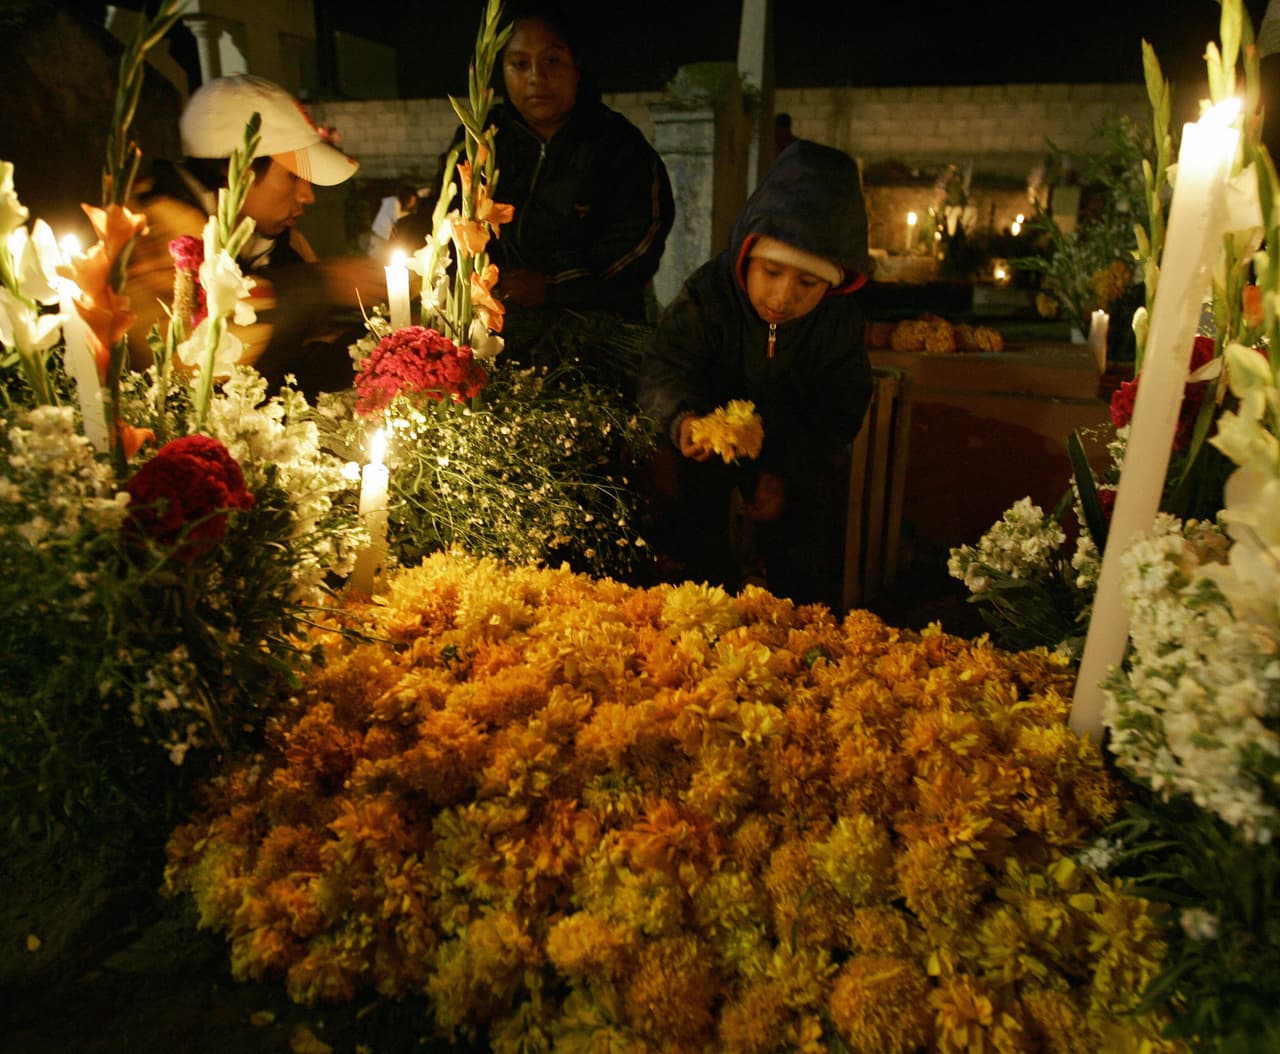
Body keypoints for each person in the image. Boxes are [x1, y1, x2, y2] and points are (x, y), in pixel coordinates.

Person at [637, 140, 873, 610]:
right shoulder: (709, 293)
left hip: (795, 449)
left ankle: (799, 639)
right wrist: (682, 419)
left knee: (800, 563)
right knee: (699, 555)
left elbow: (840, 406)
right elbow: (664, 367)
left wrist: (785, 471)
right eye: (771, 272)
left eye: (807, 283)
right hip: (705, 450)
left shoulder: (836, 321)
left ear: (833, 282)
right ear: (747, 254)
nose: (782, 298)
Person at [127, 74, 386, 396]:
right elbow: (194, 352)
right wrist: (323, 285)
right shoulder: (150, 228)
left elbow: (307, 353)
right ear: (239, 167)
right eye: (293, 177)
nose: (308, 195)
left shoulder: (281, 241)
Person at [473, 2, 674, 341]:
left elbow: (639, 241)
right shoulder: (484, 139)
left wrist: (554, 285)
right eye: (519, 64)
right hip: (492, 333)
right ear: (502, 69)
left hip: (594, 334)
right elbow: (448, 217)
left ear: (577, 65)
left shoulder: (618, 145)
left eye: (551, 60)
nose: (536, 76)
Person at [368, 185, 418, 258]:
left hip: (381, 239)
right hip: (379, 240)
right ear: (407, 198)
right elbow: (398, 220)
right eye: (412, 200)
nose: (412, 204)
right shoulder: (393, 203)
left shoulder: (392, 202)